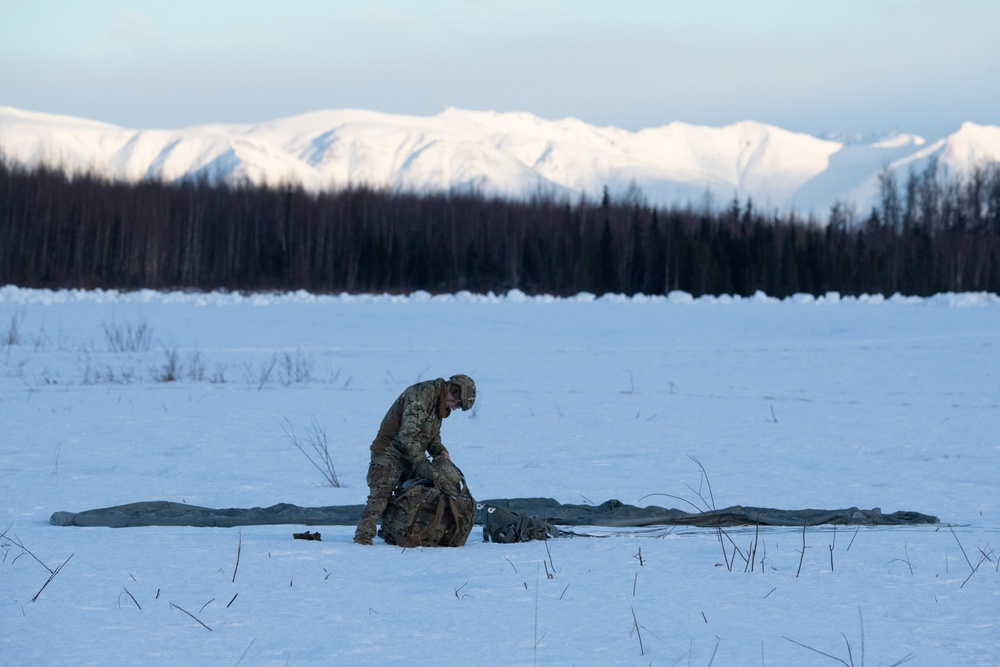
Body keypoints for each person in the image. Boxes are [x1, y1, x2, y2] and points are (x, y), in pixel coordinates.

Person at [353, 374, 476, 545]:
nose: (454, 408)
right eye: (457, 403)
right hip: (389, 451)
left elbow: (431, 436)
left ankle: (393, 531)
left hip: (410, 454)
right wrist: (421, 463)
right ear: (453, 391)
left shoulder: (438, 403)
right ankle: (362, 539)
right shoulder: (421, 396)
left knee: (408, 497)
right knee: (380, 496)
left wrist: (440, 450)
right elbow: (407, 436)